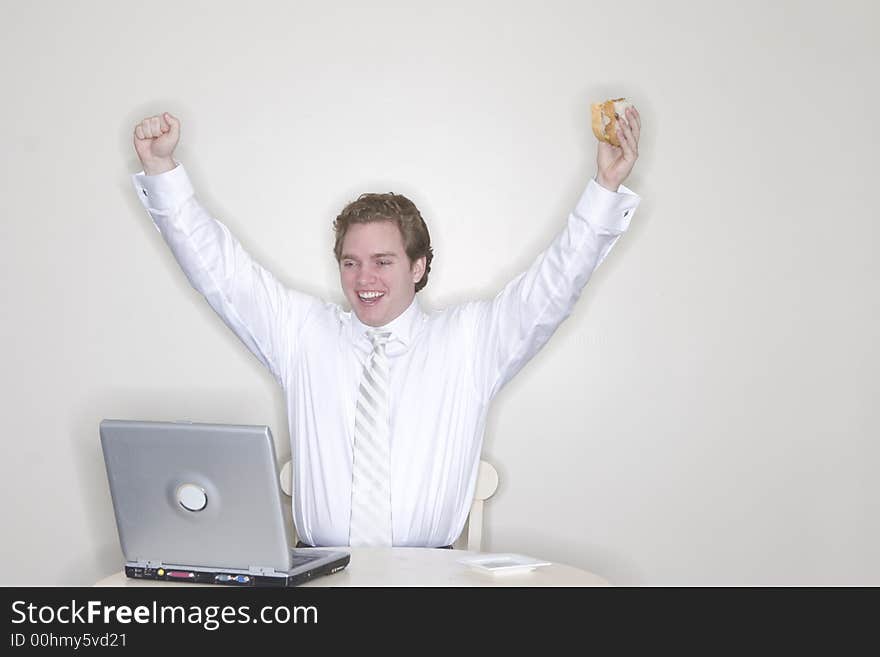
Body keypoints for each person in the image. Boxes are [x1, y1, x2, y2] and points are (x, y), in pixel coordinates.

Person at [130, 105, 642, 548]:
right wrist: (161, 170)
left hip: (431, 583)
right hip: (320, 577)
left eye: (382, 261)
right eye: (350, 262)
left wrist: (606, 187)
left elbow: (552, 289)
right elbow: (221, 273)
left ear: (418, 267)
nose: (364, 278)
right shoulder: (302, 333)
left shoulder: (469, 342)